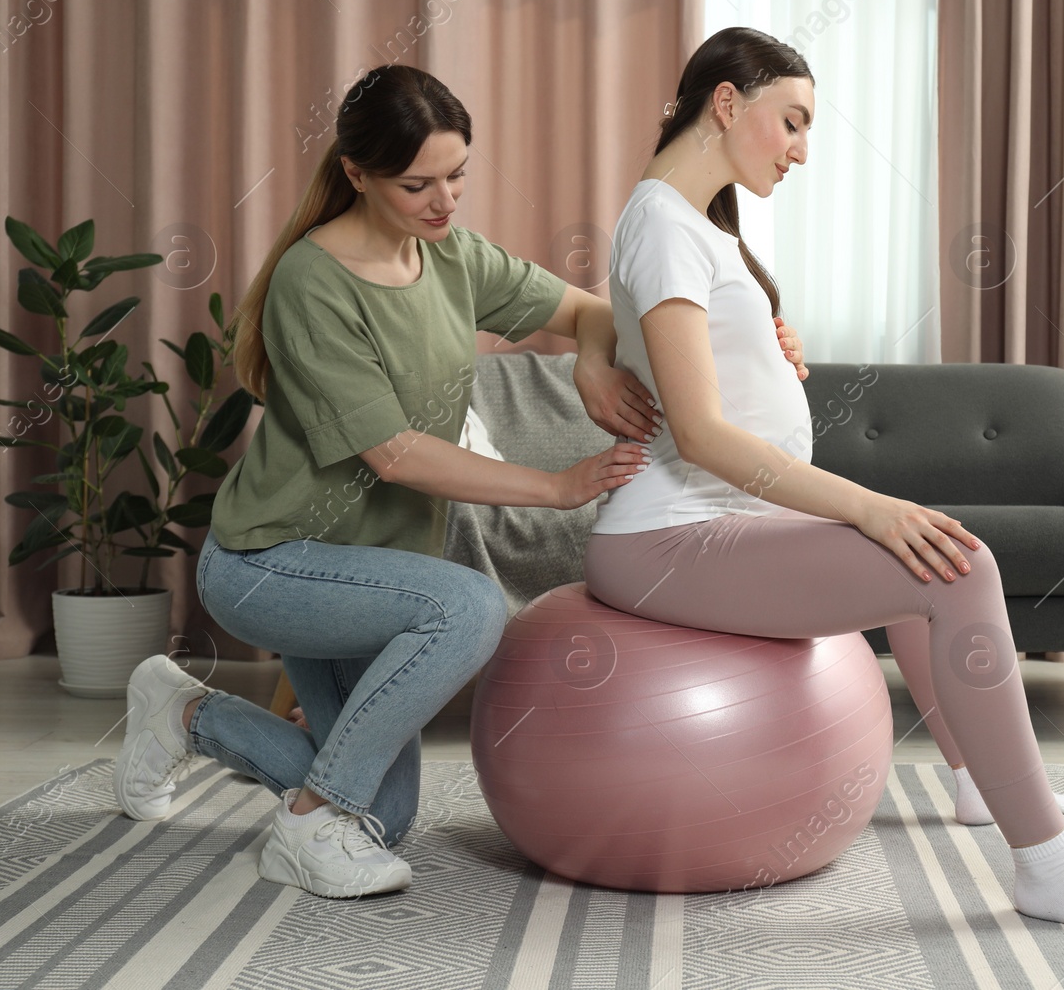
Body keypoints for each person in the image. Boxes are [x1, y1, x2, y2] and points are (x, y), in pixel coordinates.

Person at [110, 63, 807, 900]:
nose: (445, 202)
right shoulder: (312, 283)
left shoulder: (451, 257)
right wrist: (557, 486)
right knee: (468, 605)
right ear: (357, 175)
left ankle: (180, 711)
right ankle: (305, 828)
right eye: (418, 184)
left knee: (388, 812)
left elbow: (597, 312)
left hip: (376, 573)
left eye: (457, 175)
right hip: (273, 561)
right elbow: (396, 454)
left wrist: (621, 357)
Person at [583, 27, 1064, 937]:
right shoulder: (667, 226)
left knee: (918, 565)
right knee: (954, 564)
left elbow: (636, 328)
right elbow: (704, 436)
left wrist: (756, 343)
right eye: (791, 121)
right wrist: (872, 505)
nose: (800, 149)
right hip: (672, 533)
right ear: (724, 102)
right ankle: (1048, 865)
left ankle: (971, 779)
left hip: (708, 521)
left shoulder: (681, 223)